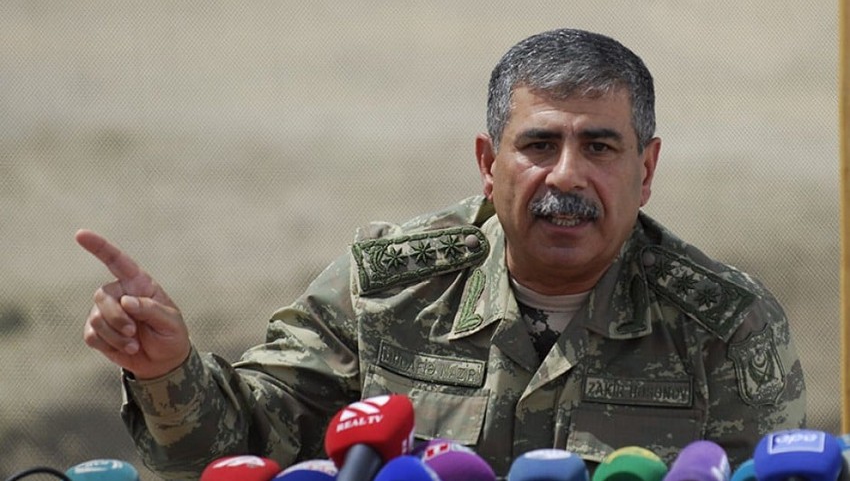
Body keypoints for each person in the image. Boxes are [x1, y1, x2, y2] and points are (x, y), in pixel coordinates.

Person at [77, 28, 806, 480]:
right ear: (489, 164)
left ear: (645, 171)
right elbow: (233, 451)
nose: (566, 176)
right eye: (539, 145)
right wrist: (167, 369)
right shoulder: (388, 290)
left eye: (599, 147)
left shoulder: (724, 329)